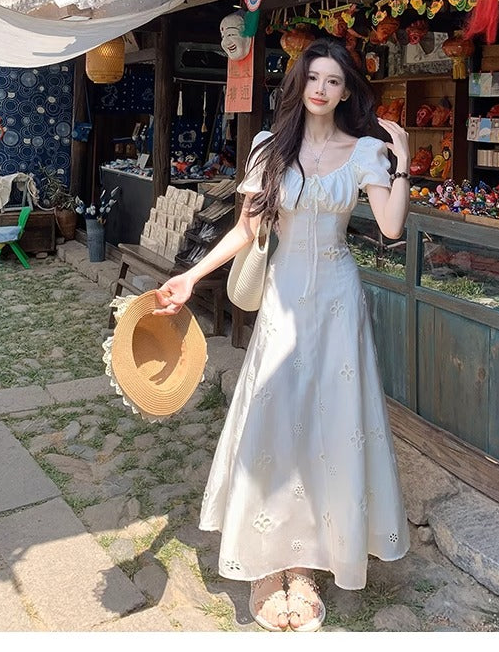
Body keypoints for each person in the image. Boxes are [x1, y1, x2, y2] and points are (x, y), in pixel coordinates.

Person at [154, 37, 412, 632]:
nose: (321, 89)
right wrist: (190, 277)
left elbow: (392, 225)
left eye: (333, 81)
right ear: (300, 85)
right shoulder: (270, 147)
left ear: (345, 92)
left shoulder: (366, 150)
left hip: (339, 303)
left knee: (332, 421)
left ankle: (308, 564)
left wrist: (403, 158)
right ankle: (267, 563)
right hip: (282, 298)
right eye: (313, 78)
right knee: (275, 418)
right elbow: (246, 231)